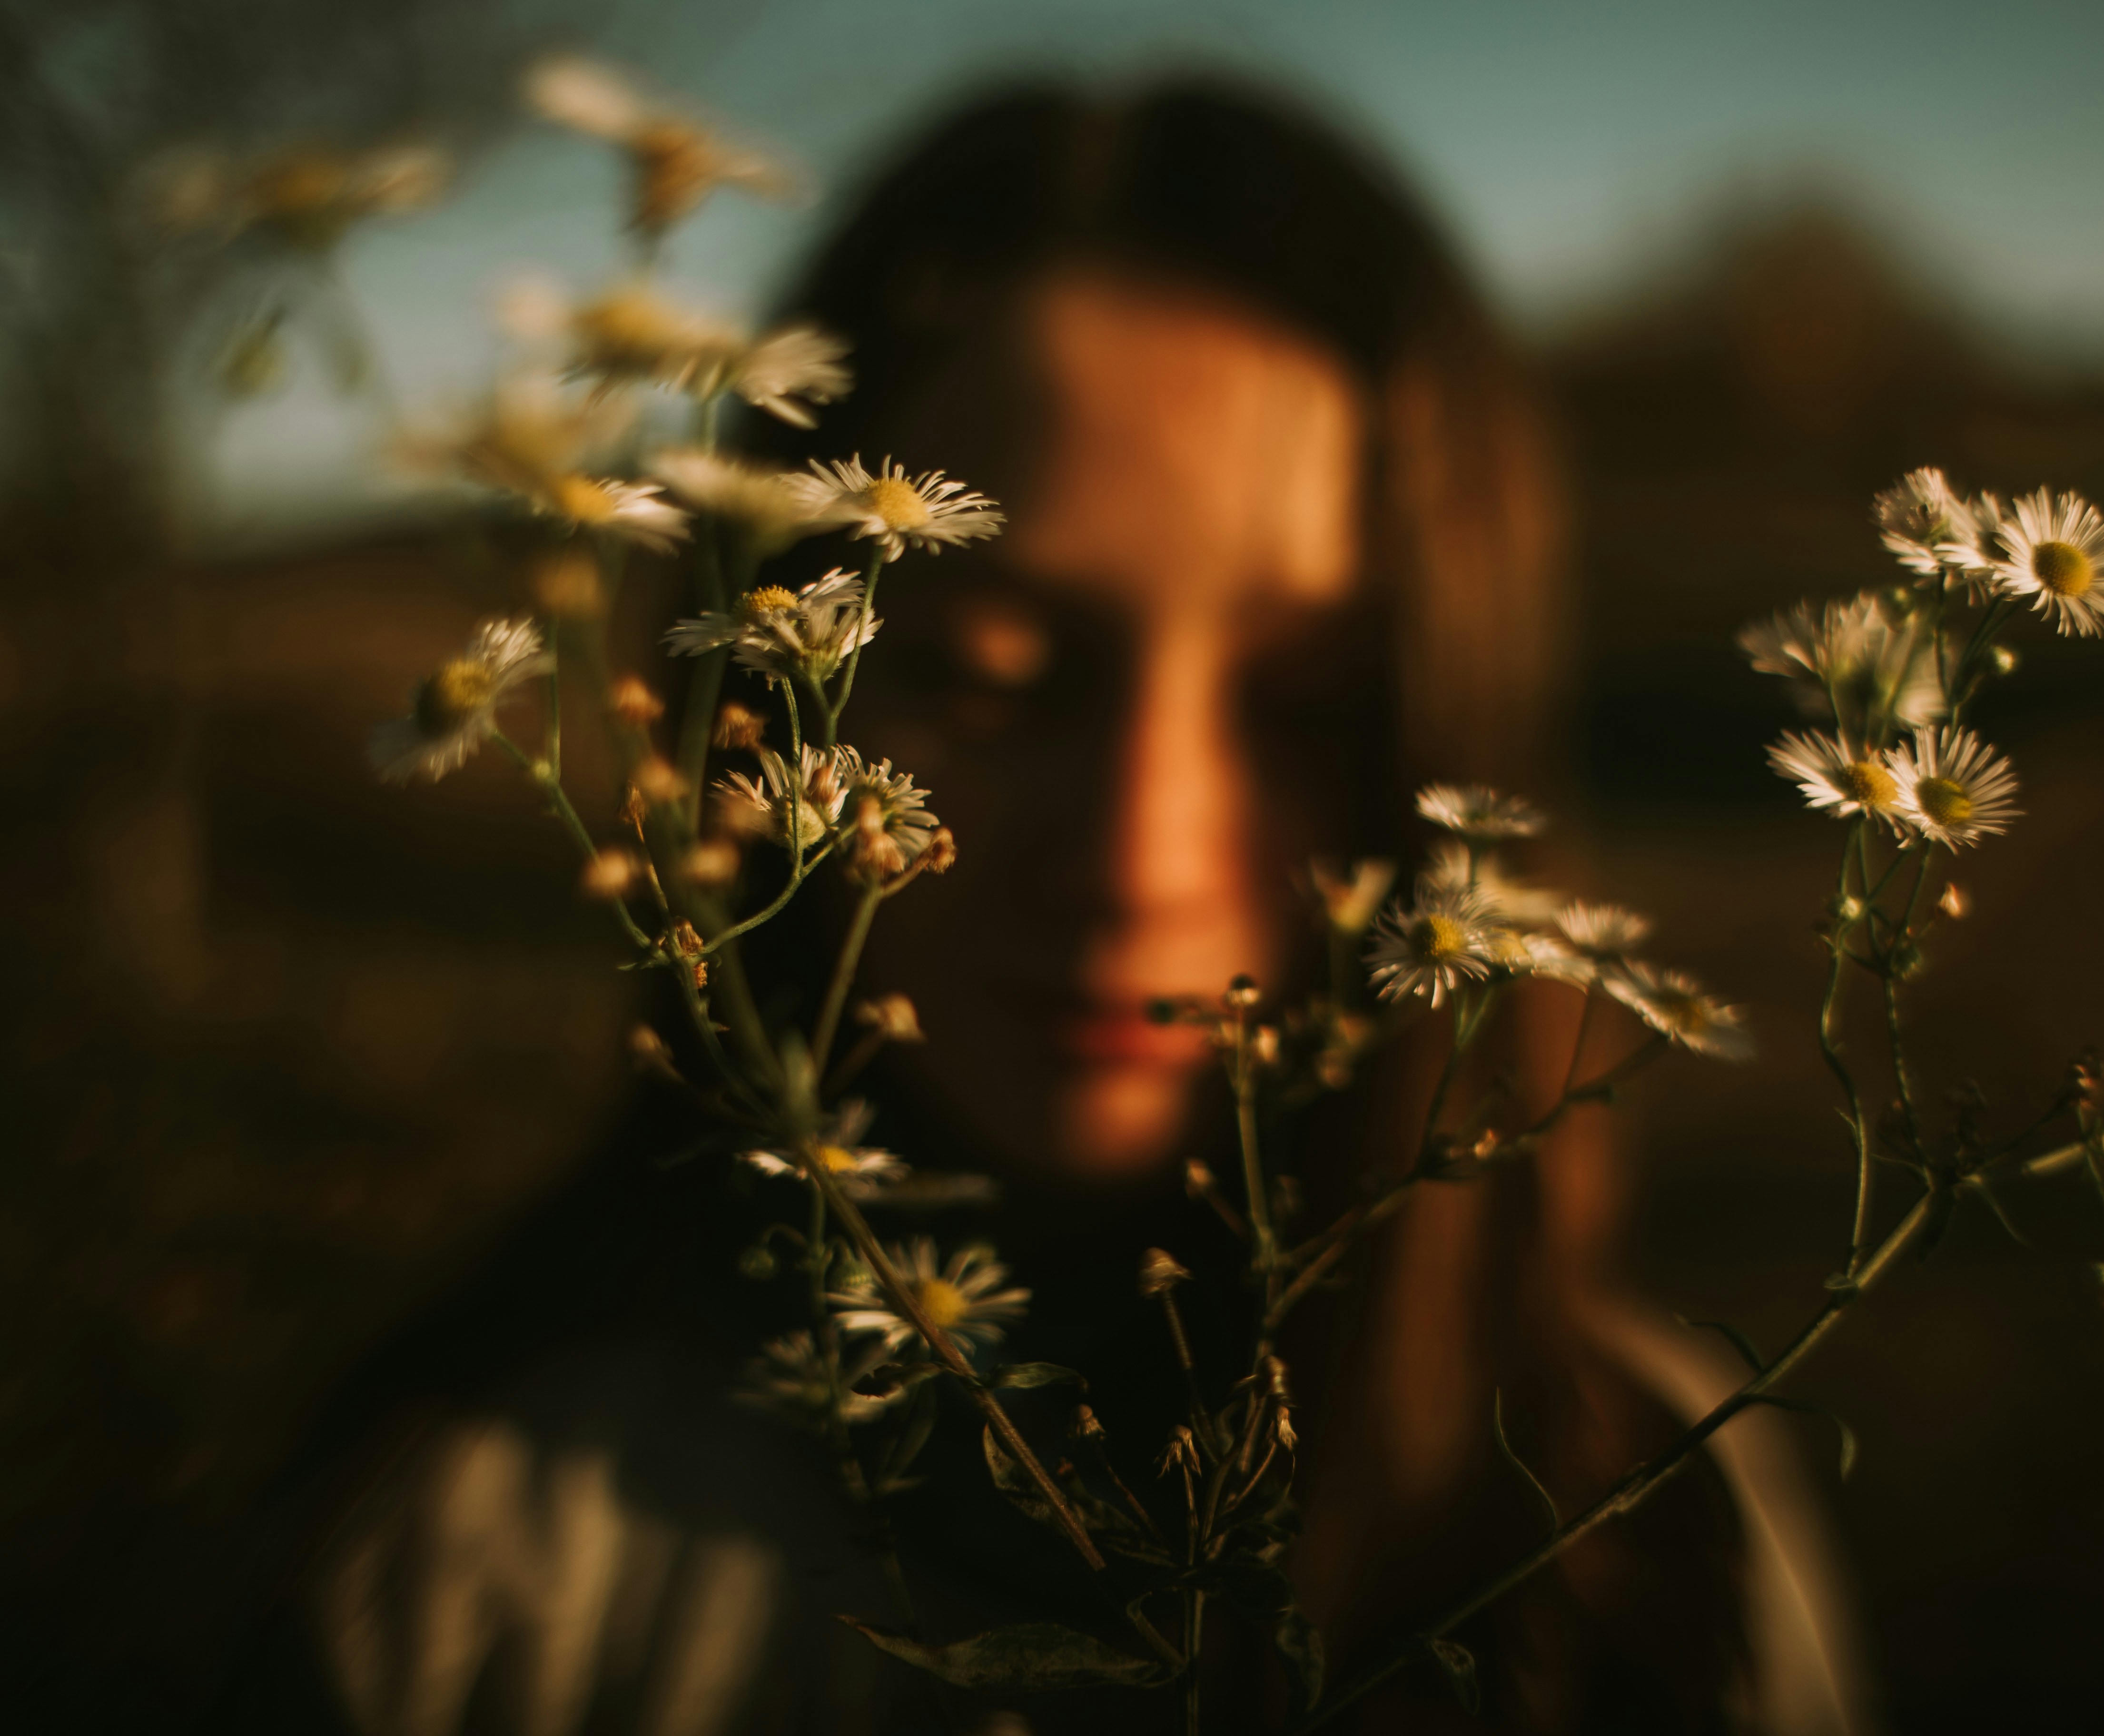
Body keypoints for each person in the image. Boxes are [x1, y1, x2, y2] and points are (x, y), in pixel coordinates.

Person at [211, 79, 1873, 1735]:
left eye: (1310, 707)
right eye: (988, 673)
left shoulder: (1654, 1521)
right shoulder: (477, 1584)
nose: (1140, 860)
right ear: (750, 694)